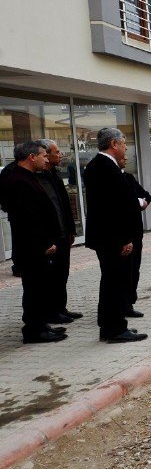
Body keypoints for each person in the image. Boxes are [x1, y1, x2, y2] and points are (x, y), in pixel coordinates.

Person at [82, 128, 147, 343]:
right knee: (115, 283)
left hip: (107, 236)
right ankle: (115, 329)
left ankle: (111, 326)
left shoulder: (101, 166)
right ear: (113, 143)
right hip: (111, 238)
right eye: (124, 143)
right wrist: (124, 238)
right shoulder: (104, 168)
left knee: (112, 281)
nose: (126, 147)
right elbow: (112, 208)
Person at [0, 141, 66, 343]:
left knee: (40, 287)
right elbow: (27, 219)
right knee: (34, 289)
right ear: (31, 157)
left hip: (36, 246)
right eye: (43, 155)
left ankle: (40, 324)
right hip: (32, 248)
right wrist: (44, 243)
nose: (46, 159)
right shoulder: (18, 181)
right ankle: (34, 330)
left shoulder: (28, 177)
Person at [37, 139, 83, 324]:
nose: (60, 154)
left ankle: (61, 308)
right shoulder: (38, 178)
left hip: (63, 233)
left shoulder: (53, 175)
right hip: (51, 236)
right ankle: (51, 312)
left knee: (62, 273)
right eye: (57, 151)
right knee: (51, 276)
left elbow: (63, 205)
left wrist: (71, 230)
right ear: (46, 155)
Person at [119, 154, 151, 318]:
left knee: (134, 269)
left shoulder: (129, 178)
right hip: (120, 235)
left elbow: (147, 195)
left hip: (135, 232)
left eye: (126, 158)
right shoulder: (113, 178)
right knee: (121, 272)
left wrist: (141, 201)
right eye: (123, 157)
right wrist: (137, 202)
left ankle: (129, 303)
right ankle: (119, 305)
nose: (125, 160)